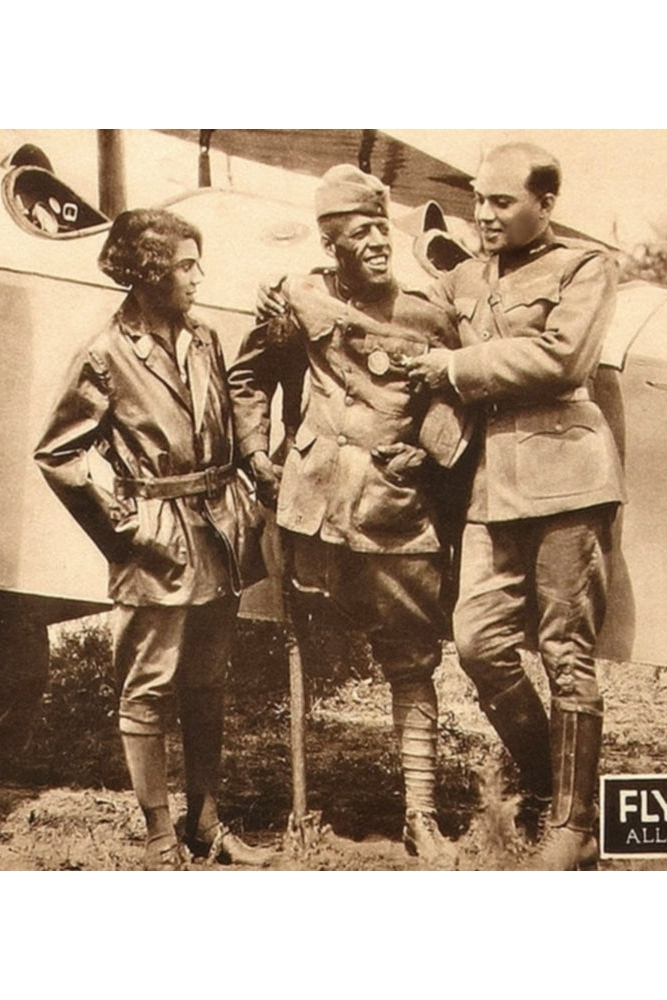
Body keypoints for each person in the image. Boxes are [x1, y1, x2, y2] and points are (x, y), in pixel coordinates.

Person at [228, 165, 469, 865]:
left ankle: (421, 816)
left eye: (379, 229)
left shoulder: (426, 310)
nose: (376, 244)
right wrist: (254, 452)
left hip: (395, 513)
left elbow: (458, 398)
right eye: (358, 234)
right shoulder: (298, 297)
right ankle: (303, 809)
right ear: (330, 245)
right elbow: (250, 376)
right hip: (311, 509)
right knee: (299, 646)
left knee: (412, 661)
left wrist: (428, 456)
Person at [405, 143, 625, 869]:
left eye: (503, 202)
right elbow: (412, 322)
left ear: (546, 205)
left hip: (566, 479)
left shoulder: (585, 267)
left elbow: (564, 359)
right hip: (490, 486)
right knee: (477, 641)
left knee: (567, 653)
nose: (485, 214)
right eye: (480, 199)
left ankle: (573, 825)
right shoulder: (464, 276)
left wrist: (458, 366)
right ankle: (548, 782)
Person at [34, 208, 269, 870]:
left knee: (208, 683)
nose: (199, 277)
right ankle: (159, 833)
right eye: (186, 265)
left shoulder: (206, 339)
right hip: (159, 546)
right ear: (147, 275)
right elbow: (60, 453)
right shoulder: (104, 355)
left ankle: (206, 822)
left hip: (218, 534)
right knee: (150, 685)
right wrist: (126, 526)